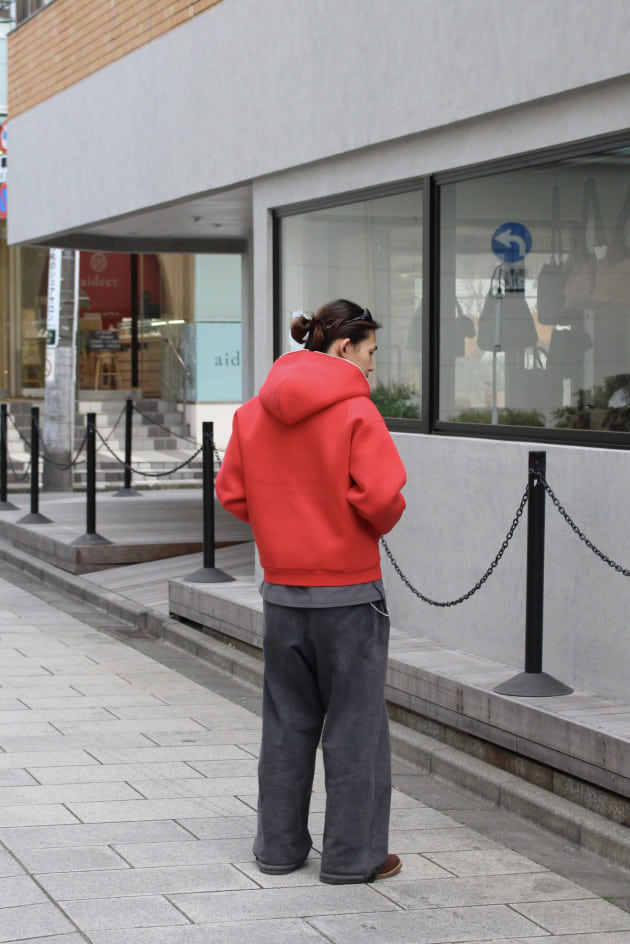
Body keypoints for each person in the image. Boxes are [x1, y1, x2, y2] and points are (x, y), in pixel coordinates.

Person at [215, 298, 406, 884]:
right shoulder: (356, 412)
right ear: (345, 346)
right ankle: (353, 858)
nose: (373, 366)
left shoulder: (253, 412)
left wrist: (283, 527)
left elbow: (232, 493)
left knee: (285, 722)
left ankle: (278, 850)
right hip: (348, 595)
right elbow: (381, 498)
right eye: (371, 352)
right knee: (355, 728)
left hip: (282, 593)